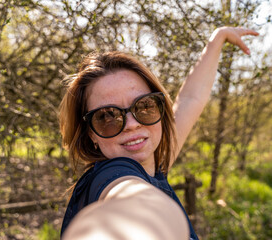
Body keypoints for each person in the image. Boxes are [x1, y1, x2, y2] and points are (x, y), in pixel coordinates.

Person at [59, 27, 259, 240]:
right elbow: (131, 201)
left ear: (160, 108)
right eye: (107, 117)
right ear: (90, 134)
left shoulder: (154, 164)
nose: (132, 124)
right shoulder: (110, 176)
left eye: (144, 106)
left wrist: (218, 38)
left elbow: (191, 99)